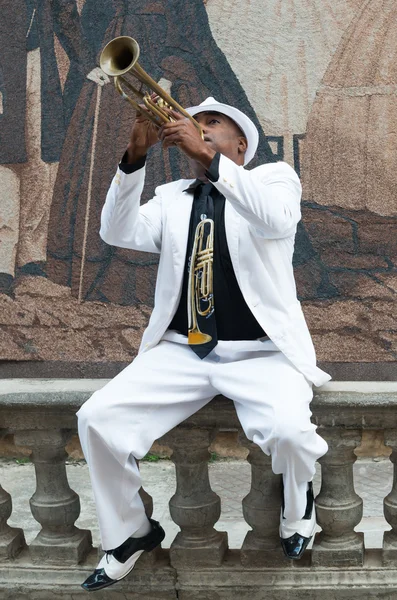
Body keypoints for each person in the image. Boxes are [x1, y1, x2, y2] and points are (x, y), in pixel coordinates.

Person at [77, 96, 331, 592]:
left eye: (214, 124)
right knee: (96, 419)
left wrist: (213, 163)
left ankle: (299, 504)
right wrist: (134, 159)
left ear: (241, 144)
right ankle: (131, 532)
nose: (201, 128)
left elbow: (276, 220)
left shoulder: (274, 179)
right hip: (182, 350)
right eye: (196, 124)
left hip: (261, 354)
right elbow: (115, 232)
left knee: (291, 434)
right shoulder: (172, 196)